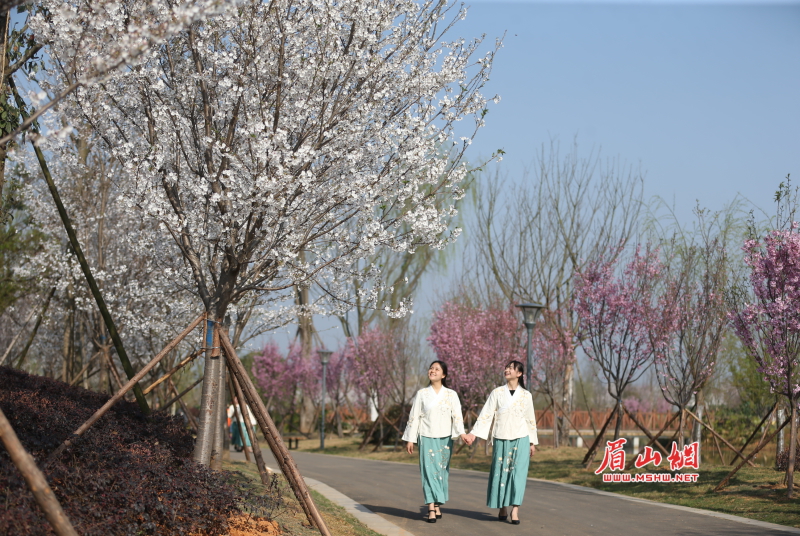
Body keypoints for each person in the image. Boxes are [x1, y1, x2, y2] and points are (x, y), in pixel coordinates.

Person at [465, 360, 538, 525]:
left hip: (521, 438)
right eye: (506, 367)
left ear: (519, 373)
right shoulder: (497, 393)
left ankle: (515, 509)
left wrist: (532, 442)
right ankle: (502, 506)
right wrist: (474, 433)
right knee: (501, 473)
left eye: (511, 368)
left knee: (518, 474)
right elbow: (486, 415)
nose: (507, 370)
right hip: (501, 438)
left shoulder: (526, 396)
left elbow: (530, 419)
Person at [403, 360, 469, 523]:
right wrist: (411, 439)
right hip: (426, 437)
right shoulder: (422, 394)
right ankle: (431, 507)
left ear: (444, 374)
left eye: (436, 369)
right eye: (431, 368)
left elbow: (457, 416)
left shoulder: (451, 394)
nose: (432, 371)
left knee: (440, 473)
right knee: (428, 472)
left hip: (445, 439)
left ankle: (437, 504)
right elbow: (414, 417)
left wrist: (462, 433)